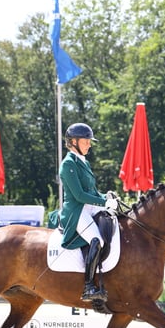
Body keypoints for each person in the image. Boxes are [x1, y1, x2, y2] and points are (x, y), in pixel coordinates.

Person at [58, 123, 118, 303]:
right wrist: (104, 202)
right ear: (73, 142)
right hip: (76, 211)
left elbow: (91, 192)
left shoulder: (84, 162)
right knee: (96, 239)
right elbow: (79, 195)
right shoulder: (68, 164)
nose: (89, 145)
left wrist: (106, 197)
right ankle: (88, 286)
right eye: (86, 141)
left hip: (89, 206)